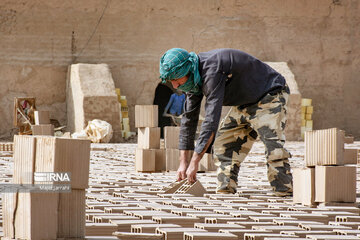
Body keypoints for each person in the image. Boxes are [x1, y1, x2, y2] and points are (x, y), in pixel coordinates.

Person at [159, 48, 293, 197]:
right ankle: (225, 192)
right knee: (224, 145)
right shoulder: (192, 82)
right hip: (245, 102)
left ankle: (284, 193)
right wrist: (183, 162)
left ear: (188, 70)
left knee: (273, 146)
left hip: (269, 95)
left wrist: (195, 162)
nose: (176, 86)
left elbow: (211, 120)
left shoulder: (212, 71)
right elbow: (188, 120)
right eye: (172, 81)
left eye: (177, 80)